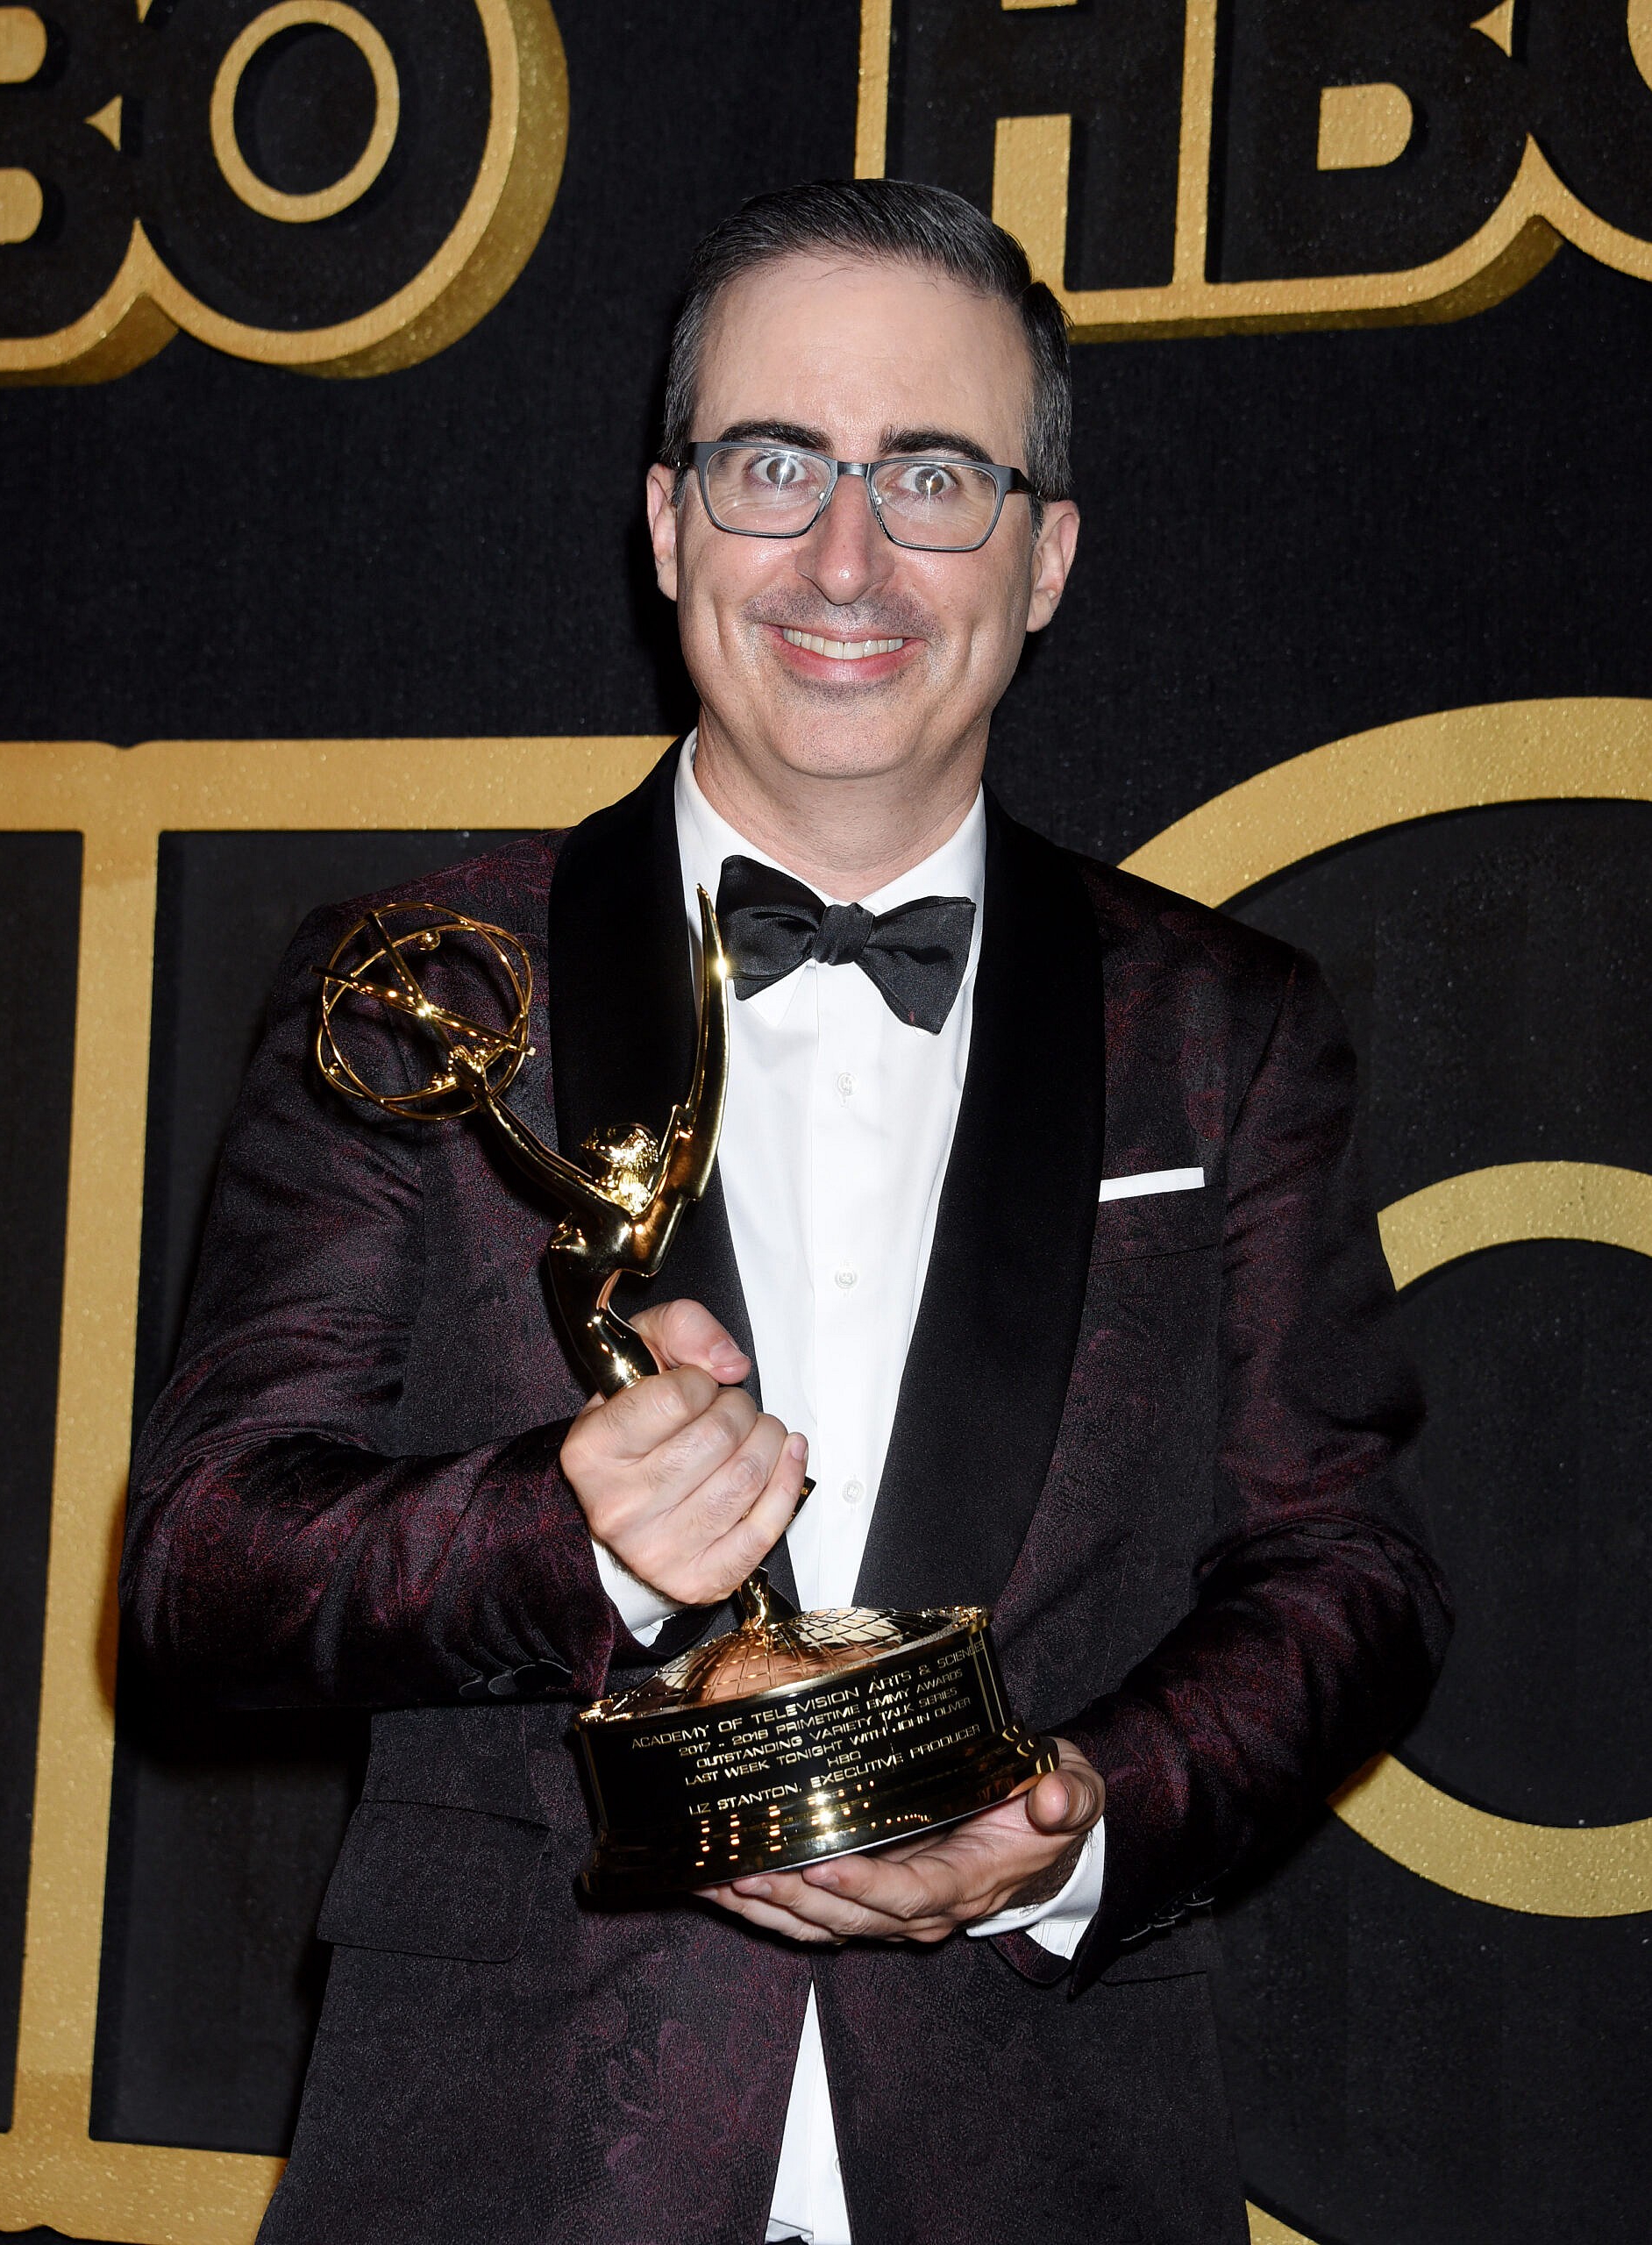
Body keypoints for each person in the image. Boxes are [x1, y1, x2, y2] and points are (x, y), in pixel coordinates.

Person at [123, 180, 1450, 2244]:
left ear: (1047, 553)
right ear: (666, 525)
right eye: (775, 465)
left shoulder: (1230, 1030)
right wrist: (562, 1528)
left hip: (1050, 2160)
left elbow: (1346, 1579)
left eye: (933, 474)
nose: (849, 556)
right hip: (504, 2167)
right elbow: (201, 1570)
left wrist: (1076, 1816)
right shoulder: (426, 985)